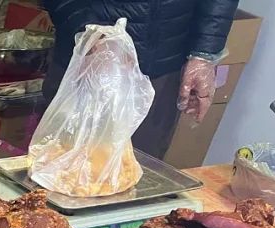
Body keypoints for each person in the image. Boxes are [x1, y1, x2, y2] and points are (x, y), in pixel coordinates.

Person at [41, 0, 239, 158]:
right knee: (63, 166)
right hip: (89, 58)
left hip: (163, 68)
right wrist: (88, 30)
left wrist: (204, 54)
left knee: (139, 172)